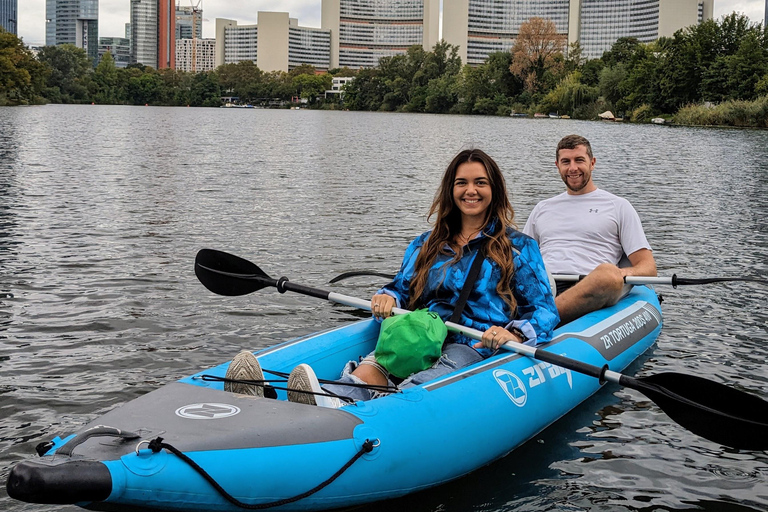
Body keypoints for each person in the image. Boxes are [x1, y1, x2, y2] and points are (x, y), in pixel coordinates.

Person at [226, 148, 559, 407]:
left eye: (479, 183)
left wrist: (513, 332)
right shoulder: (424, 245)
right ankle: (292, 400)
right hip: (417, 332)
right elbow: (401, 288)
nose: (470, 191)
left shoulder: (519, 248)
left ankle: (356, 406)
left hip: (472, 343)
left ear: (493, 190)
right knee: (371, 370)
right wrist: (388, 297)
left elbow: (544, 310)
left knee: (429, 378)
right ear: (450, 190)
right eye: (462, 183)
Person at [523, 134, 657, 325]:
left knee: (607, 275)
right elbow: (522, 258)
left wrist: (617, 277)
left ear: (592, 163)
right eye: (566, 162)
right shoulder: (542, 208)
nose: (573, 168)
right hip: (544, 284)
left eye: (579, 160)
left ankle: (537, 322)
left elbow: (648, 268)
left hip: (591, 285)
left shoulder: (618, 206)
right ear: (557, 166)